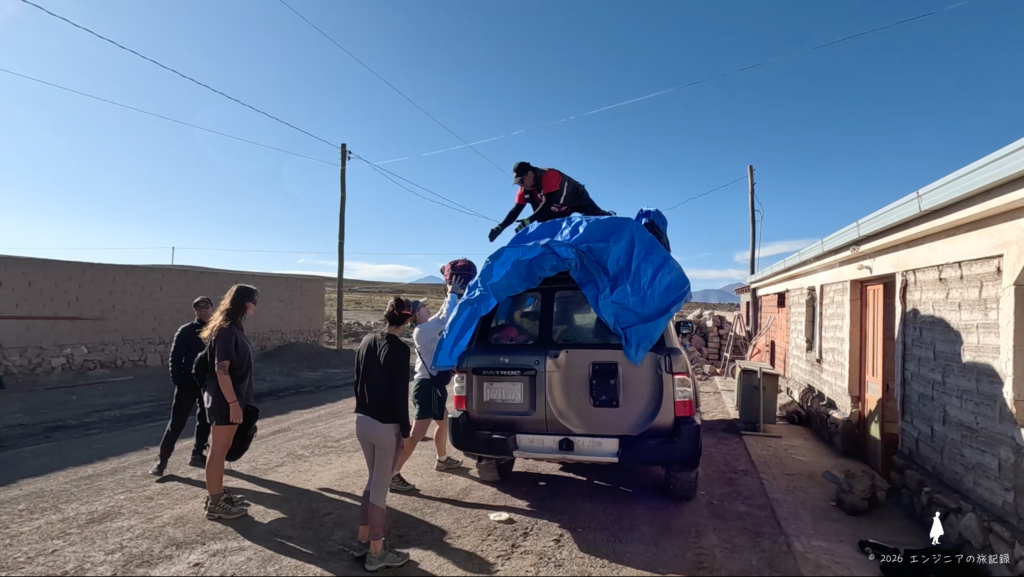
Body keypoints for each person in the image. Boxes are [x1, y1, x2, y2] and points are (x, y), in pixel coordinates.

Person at [352, 297, 415, 572]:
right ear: (407, 320)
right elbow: (399, 394)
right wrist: (405, 429)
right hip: (384, 426)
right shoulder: (400, 350)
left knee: (372, 482)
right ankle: (377, 552)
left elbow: (356, 379)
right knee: (380, 489)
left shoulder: (366, 340)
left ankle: (363, 540)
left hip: (362, 421)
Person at [390, 278, 466, 493]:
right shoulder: (422, 331)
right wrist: (451, 294)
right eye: (422, 307)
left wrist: (449, 296)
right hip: (426, 388)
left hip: (431, 387)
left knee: (443, 424)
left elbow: (441, 315)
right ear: (415, 315)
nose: (426, 307)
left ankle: (442, 459)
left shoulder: (426, 326)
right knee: (415, 435)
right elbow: (444, 318)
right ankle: (392, 474)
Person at [199, 284, 259, 521]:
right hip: (224, 400)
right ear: (246, 302)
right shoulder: (225, 330)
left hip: (230, 399)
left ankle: (217, 494)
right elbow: (221, 370)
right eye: (254, 301)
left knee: (219, 449)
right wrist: (233, 403)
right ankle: (215, 502)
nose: (256, 306)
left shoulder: (235, 327)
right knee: (218, 451)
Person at [149, 296, 215, 476]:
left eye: (205, 307)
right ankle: (161, 462)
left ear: (211, 308)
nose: (202, 310)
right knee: (176, 423)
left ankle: (197, 454)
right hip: (187, 384)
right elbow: (175, 358)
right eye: (198, 308)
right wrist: (178, 381)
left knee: (205, 420)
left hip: (208, 384)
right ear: (195, 311)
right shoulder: (186, 331)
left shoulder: (218, 330)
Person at [488, 161, 612, 242]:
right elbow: (516, 210)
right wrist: (500, 227)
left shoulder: (549, 175)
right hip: (556, 211)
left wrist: (529, 220)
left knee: (599, 218)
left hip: (576, 200)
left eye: (521, 181)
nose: (520, 185)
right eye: (518, 183)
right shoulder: (524, 190)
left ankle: (612, 226)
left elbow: (547, 202)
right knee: (544, 228)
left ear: (530, 174)